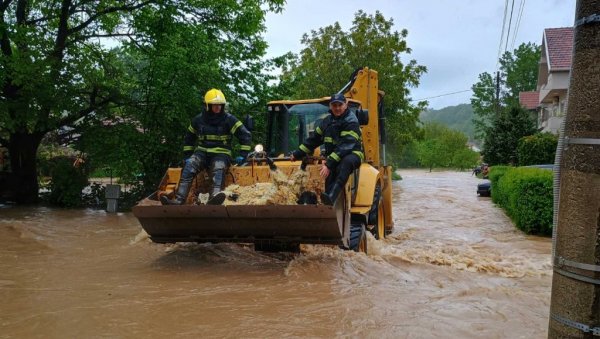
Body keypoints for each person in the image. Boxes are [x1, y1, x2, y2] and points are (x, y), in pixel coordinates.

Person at [160, 88, 252, 205]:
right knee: (189, 166)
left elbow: (246, 135)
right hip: (202, 152)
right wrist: (187, 156)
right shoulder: (198, 120)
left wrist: (243, 155)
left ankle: (215, 198)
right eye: (215, 105)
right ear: (207, 105)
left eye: (220, 105)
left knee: (218, 167)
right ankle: (179, 200)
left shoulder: (229, 119)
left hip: (221, 153)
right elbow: (189, 138)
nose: (218, 107)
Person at [290, 93, 364, 205]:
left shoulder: (351, 121)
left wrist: (329, 164)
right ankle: (327, 205)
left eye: (340, 105)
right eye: (334, 105)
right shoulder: (326, 122)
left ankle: (331, 196)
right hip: (334, 156)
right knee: (329, 172)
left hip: (352, 154)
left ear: (345, 105)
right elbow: (313, 139)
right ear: (330, 106)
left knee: (344, 163)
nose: (337, 108)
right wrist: (297, 153)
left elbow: (345, 146)